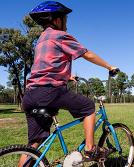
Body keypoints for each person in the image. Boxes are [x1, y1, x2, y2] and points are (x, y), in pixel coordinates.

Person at [20, 1, 118, 165]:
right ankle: (89, 149)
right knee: (88, 106)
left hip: (30, 95)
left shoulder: (41, 40)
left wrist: (67, 76)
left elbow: (47, 66)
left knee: (33, 145)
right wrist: (109, 66)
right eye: (65, 18)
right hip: (49, 91)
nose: (67, 23)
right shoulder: (59, 35)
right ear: (56, 20)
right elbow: (86, 54)